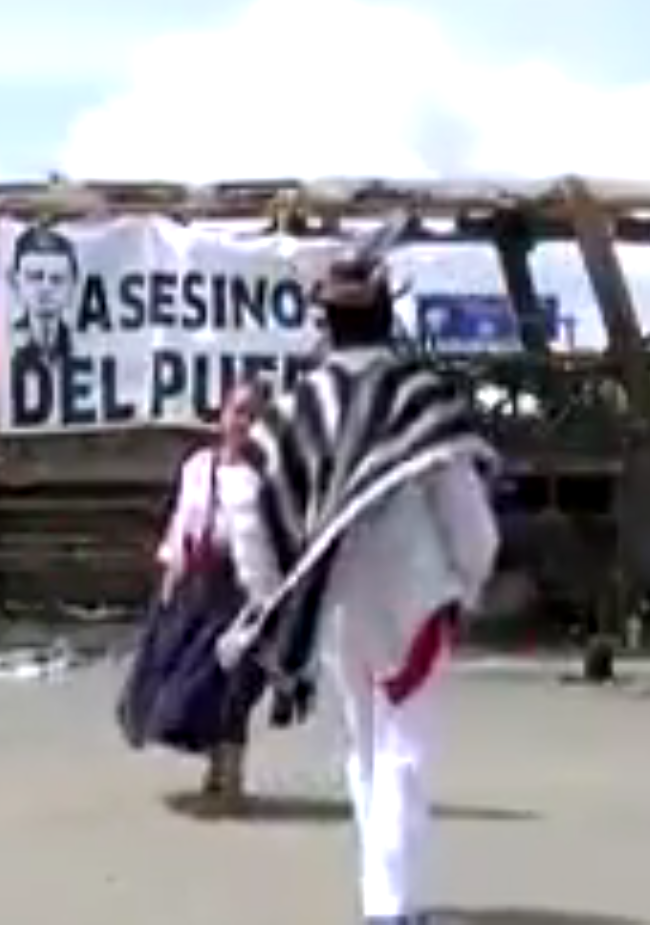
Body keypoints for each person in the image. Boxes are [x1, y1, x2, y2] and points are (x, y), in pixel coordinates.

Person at [216, 224, 502, 925]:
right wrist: (470, 578)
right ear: (386, 315)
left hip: (334, 604)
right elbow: (464, 509)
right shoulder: (417, 396)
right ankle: (389, 906)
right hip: (414, 596)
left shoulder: (296, 408)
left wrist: (272, 599)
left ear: (327, 322)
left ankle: (384, 896)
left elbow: (246, 507)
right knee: (404, 748)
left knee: (367, 745)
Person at [119, 381, 274, 810]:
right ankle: (214, 761)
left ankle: (230, 775)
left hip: (243, 590)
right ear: (222, 415)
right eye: (237, 411)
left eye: (254, 415)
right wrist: (170, 576)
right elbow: (181, 523)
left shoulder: (267, 478)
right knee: (178, 684)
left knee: (232, 685)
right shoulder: (197, 466)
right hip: (195, 585)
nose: (243, 421)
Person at [5, 225, 79, 366]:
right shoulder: (5, 340)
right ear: (16, 281)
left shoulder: (82, 343)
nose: (46, 288)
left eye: (57, 279)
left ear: (72, 285)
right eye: (35, 277)